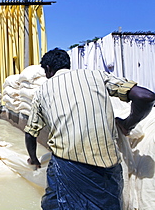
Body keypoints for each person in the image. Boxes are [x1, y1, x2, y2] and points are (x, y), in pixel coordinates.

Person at [24, 48, 155, 209]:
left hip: (67, 167)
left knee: (56, 204)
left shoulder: (42, 91)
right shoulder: (97, 76)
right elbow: (145, 96)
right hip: (108, 167)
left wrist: (34, 159)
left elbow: (30, 133)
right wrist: (128, 124)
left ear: (49, 70)